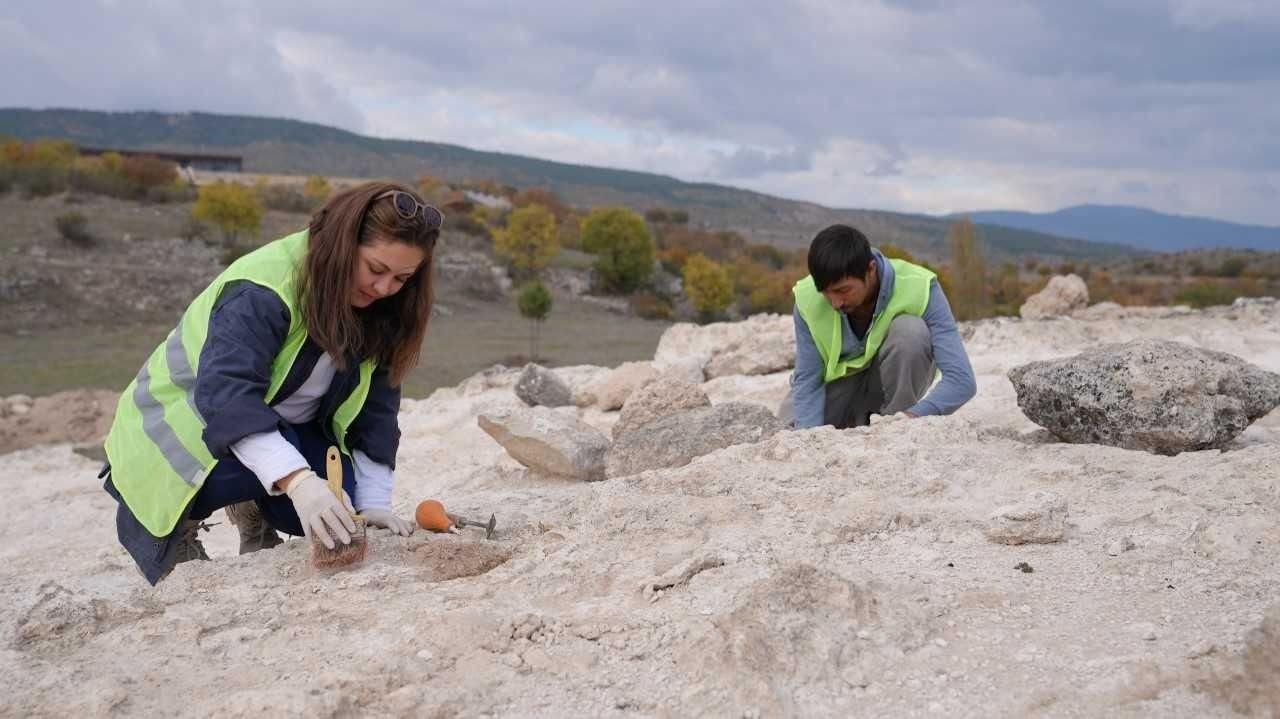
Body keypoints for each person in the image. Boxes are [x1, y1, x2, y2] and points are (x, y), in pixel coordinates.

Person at [102, 181, 442, 584]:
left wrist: (373, 503)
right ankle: (186, 523)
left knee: (339, 503)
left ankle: (255, 505)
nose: (385, 289)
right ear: (342, 244)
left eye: (402, 279)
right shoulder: (264, 289)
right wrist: (298, 481)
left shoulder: (382, 308)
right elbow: (228, 398)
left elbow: (376, 410)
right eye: (376, 269)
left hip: (280, 428)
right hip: (182, 433)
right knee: (298, 477)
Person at [778, 224, 976, 429]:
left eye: (843, 290)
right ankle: (851, 423)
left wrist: (912, 418)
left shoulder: (920, 287)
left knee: (911, 332)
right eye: (826, 293)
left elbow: (961, 381)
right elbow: (808, 381)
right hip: (835, 392)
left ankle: (892, 427)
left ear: (870, 270)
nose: (835, 303)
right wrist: (807, 438)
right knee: (787, 431)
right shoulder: (808, 298)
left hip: (888, 398)